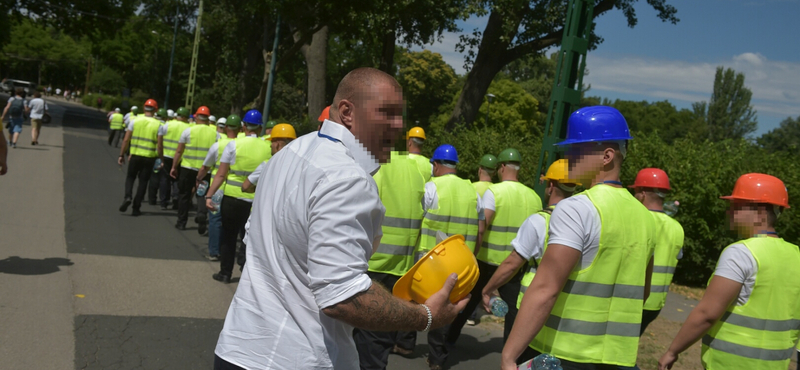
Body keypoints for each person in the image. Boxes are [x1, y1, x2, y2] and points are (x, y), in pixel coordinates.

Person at [213, 67, 468, 370]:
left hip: (240, 348)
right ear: (347, 111)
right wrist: (425, 316)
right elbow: (343, 298)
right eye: (387, 113)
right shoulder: (346, 176)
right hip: (296, 359)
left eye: (400, 116)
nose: (399, 126)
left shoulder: (289, 153)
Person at [501, 106, 656, 370]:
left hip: (561, 355)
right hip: (616, 359)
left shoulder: (576, 208)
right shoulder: (645, 218)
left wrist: (509, 355)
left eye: (576, 150)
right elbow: (642, 292)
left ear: (607, 156)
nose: (568, 158)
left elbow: (545, 290)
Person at [658, 173, 800, 370]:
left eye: (737, 206)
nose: (729, 212)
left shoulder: (740, 253)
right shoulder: (796, 255)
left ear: (760, 212)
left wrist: (673, 351)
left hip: (730, 364)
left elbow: (707, 314)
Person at [480, 159, 577, 364]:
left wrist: (488, 289)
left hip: (531, 308)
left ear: (551, 186)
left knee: (520, 360)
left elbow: (512, 264)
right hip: (566, 314)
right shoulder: (582, 222)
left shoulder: (540, 221)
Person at [448, 147, 542, 344]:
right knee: (514, 313)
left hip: (487, 262)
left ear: (501, 167)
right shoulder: (534, 196)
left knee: (466, 303)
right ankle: (511, 356)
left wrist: (472, 253)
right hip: (516, 265)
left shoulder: (494, 192)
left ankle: (445, 346)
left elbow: (483, 226)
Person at [353, 136, 428, 370]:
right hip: (401, 267)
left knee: (361, 337)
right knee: (381, 336)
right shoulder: (415, 171)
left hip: (372, 264)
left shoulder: (375, 165)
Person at [411, 144, 485, 370]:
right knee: (447, 304)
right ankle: (437, 357)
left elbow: (417, 222)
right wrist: (473, 254)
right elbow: (480, 229)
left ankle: (406, 344)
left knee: (415, 302)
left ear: (435, 165)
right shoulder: (473, 192)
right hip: (461, 260)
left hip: (432, 258)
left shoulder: (431, 187)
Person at [204, 109, 271, 283]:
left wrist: (209, 195)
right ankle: (246, 271)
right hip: (256, 201)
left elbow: (220, 175)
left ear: (243, 126)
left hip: (232, 201)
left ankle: (225, 273)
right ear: (260, 127)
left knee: (229, 237)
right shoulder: (268, 147)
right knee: (249, 238)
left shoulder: (233, 145)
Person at [630, 168, 684, 336]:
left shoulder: (637, 220)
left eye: (635, 192)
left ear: (643, 193)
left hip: (632, 299)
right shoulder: (677, 227)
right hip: (655, 304)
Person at [197, 114, 241, 261]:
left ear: (226, 127)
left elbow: (205, 166)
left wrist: (198, 179)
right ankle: (227, 251)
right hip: (234, 190)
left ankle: (214, 252)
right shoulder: (241, 144)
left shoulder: (218, 145)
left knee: (215, 220)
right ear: (240, 128)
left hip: (217, 189)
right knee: (230, 222)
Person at [170, 106, 216, 231]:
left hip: (187, 168)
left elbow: (179, 151)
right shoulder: (216, 134)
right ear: (208, 118)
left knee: (184, 194)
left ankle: (181, 222)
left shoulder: (188, 131)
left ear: (196, 117)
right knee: (202, 194)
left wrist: (174, 167)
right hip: (205, 170)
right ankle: (201, 215)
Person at [117, 99, 161, 216]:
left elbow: (126, 139)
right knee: (143, 182)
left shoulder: (135, 121)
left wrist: (122, 154)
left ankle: (127, 196)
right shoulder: (158, 125)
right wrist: (160, 158)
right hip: (149, 158)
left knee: (130, 177)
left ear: (144, 108)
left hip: (135, 155)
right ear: (155, 110)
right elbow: (160, 145)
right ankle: (136, 207)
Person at [241, 123, 295, 193]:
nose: (270, 146)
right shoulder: (298, 165)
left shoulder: (267, 164)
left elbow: (245, 187)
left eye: (272, 142)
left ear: (277, 144)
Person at [157, 107, 191, 210]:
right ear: (185, 117)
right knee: (177, 179)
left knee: (165, 179)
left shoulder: (167, 124)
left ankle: (164, 202)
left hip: (167, 155)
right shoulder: (189, 127)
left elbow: (160, 141)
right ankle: (176, 197)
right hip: (180, 157)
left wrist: (161, 157)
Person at [147, 108, 170, 205]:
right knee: (164, 179)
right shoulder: (167, 126)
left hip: (155, 154)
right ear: (165, 117)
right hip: (166, 154)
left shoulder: (153, 124)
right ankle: (163, 201)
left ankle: (152, 199)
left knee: (154, 177)